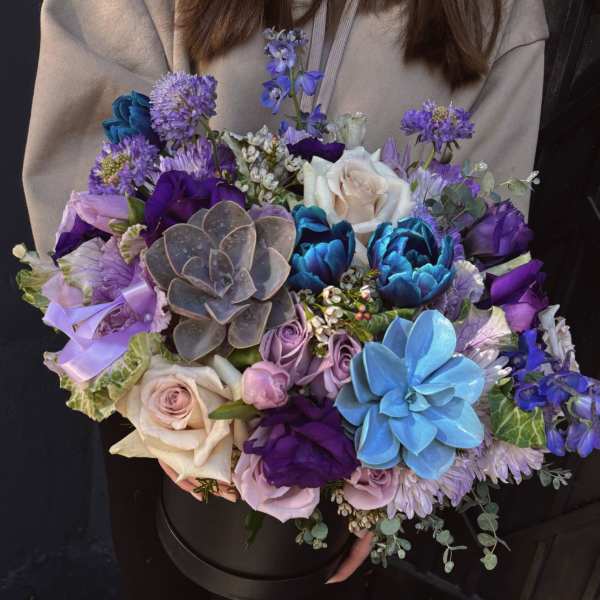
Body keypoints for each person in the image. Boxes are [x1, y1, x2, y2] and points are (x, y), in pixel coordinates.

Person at [23, 0, 549, 595]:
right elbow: (85, 177)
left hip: (352, 454)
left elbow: (486, 245)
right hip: (166, 429)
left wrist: (389, 477)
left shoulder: (497, 13)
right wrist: (154, 406)